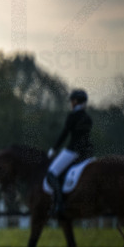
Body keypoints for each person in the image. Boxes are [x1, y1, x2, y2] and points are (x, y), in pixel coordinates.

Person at [46, 88, 93, 218]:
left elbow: (64, 134)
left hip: (73, 151)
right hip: (87, 152)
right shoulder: (88, 118)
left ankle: (59, 205)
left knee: (51, 173)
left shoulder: (73, 116)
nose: (71, 103)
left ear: (76, 101)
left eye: (72, 101)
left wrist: (54, 149)